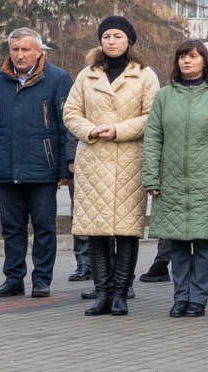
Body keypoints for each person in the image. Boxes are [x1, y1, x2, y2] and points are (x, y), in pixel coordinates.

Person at [63, 16, 159, 316]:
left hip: (129, 160)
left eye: (117, 36)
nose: (111, 41)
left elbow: (152, 116)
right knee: (96, 230)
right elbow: (70, 112)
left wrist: (118, 129)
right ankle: (102, 293)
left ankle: (120, 294)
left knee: (127, 231)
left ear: (129, 40)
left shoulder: (144, 75)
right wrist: (91, 130)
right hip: (93, 161)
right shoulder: (87, 75)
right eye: (106, 36)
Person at [143, 38, 208, 317]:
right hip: (170, 182)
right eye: (182, 56)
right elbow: (152, 139)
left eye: (193, 56)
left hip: (205, 184)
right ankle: (180, 297)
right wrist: (151, 178)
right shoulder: (163, 96)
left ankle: (198, 298)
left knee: (204, 244)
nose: (187, 61)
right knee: (179, 244)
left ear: (204, 62)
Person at [0, 28, 73, 298]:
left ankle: (41, 280)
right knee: (12, 229)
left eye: (25, 49)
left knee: (44, 227)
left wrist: (65, 166)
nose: (19, 55)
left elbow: (68, 126)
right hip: (6, 169)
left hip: (43, 169)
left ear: (39, 51)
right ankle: (13, 279)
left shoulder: (57, 79)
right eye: (14, 49)